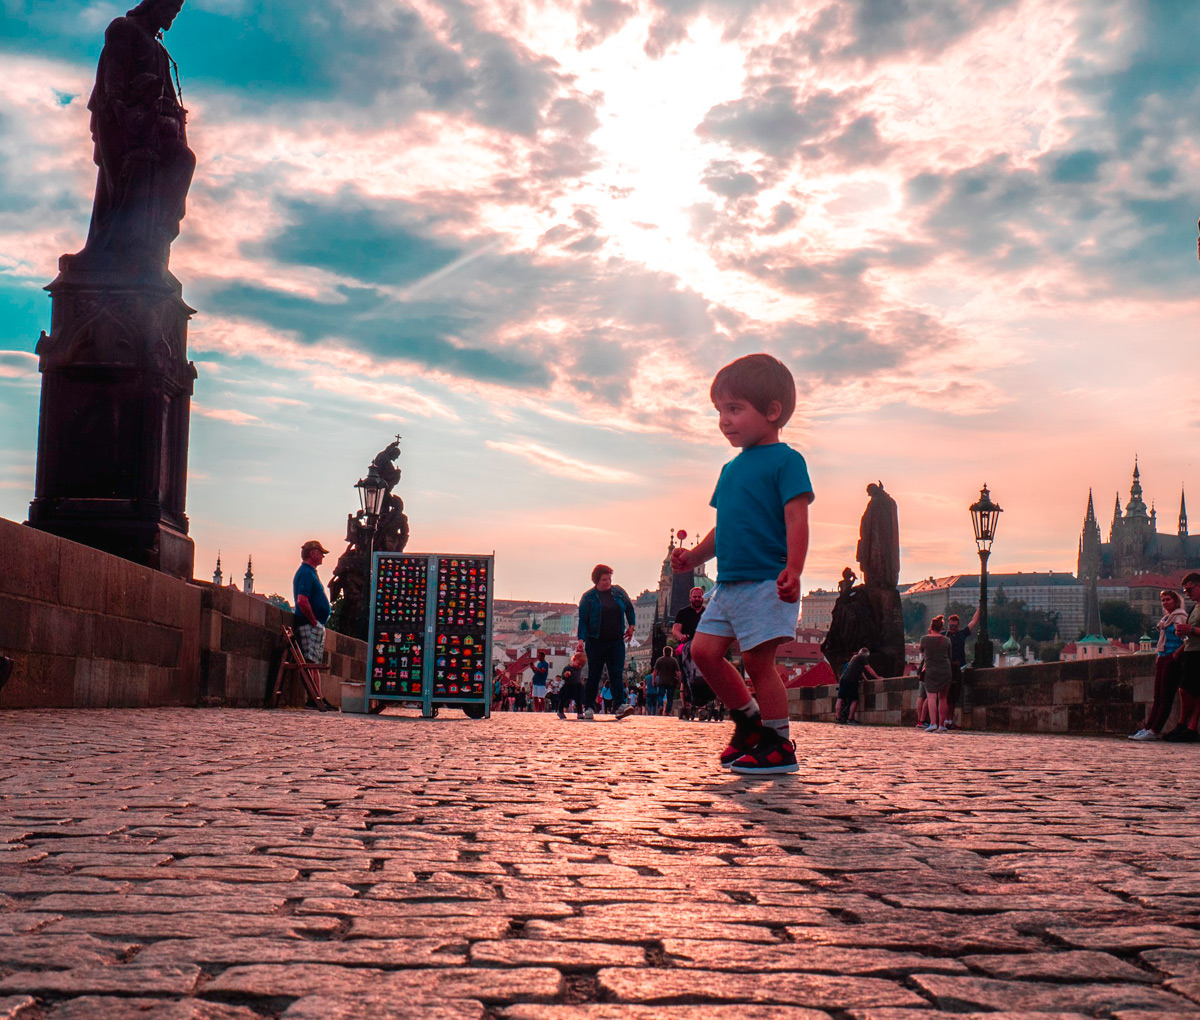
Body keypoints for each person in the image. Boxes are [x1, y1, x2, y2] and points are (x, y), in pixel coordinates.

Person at [670, 353, 813, 775]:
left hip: (767, 581)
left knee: (757, 662)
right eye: (720, 411)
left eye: (734, 409)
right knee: (703, 653)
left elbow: (796, 518)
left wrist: (795, 569)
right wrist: (696, 557)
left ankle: (779, 743)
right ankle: (749, 723)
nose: (724, 421)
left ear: (772, 412)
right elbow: (725, 527)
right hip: (728, 585)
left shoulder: (788, 461)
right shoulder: (729, 470)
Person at [76, 0, 196, 271]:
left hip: (154, 128)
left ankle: (158, 235)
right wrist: (120, 107)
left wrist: (175, 117)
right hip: (125, 126)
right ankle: (121, 242)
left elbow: (169, 95)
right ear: (154, 5)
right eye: (170, 10)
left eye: (176, 13)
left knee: (184, 159)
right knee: (138, 167)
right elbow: (113, 75)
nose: (171, 18)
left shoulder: (159, 50)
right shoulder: (124, 28)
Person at [577, 565, 637, 720]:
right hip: (596, 641)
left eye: (610, 578)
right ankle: (589, 706)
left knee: (616, 674)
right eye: (604, 579)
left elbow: (629, 609)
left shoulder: (618, 592)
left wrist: (631, 626)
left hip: (616, 640)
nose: (608, 582)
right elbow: (583, 621)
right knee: (594, 674)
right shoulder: (588, 597)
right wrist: (581, 640)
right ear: (597, 580)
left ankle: (619, 706)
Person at [1131, 589, 1188, 740]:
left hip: (1172, 658)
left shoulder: (1180, 616)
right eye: (1163, 600)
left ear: (1176, 601)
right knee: (1158, 696)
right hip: (1162, 657)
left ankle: (1154, 731)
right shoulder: (1166, 618)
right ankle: (1147, 728)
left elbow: (1186, 639)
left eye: (1168, 600)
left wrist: (1176, 654)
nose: (1165, 603)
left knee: (1166, 697)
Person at [1165, 573, 1200, 742]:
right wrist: (1182, 646)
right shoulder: (1195, 607)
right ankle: (1189, 728)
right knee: (1193, 691)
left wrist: (1190, 631)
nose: (1187, 593)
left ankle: (1184, 725)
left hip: (1198, 653)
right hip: (1190, 651)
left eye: (1190, 589)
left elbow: (1193, 631)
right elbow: (1189, 633)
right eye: (1185, 590)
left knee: (1185, 690)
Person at [292, 540, 331, 664]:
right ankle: (313, 684)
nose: (323, 556)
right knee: (311, 665)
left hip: (313, 625)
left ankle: (315, 684)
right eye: (321, 553)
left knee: (314, 665)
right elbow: (302, 600)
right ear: (313, 554)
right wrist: (314, 622)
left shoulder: (309, 572)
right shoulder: (306, 573)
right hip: (309, 625)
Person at [945, 608, 980, 728]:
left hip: (959, 668)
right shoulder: (944, 635)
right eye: (950, 626)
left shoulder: (962, 634)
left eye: (954, 626)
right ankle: (946, 720)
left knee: (954, 697)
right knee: (947, 696)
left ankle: (949, 721)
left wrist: (980, 608)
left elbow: (973, 622)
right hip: (948, 669)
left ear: (958, 626)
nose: (952, 628)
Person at [919, 616, 954, 732]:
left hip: (931, 671)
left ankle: (933, 723)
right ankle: (942, 725)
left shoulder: (924, 639)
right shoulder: (946, 640)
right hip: (945, 670)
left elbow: (922, 651)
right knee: (943, 698)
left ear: (931, 627)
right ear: (941, 628)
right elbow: (950, 657)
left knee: (931, 697)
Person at [836, 647, 879, 725]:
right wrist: (877, 677)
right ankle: (850, 719)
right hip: (851, 680)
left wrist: (865, 680)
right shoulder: (862, 657)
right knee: (854, 700)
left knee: (840, 699)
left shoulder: (854, 657)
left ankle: (838, 718)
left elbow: (860, 672)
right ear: (866, 654)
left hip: (843, 679)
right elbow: (868, 668)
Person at [557, 652, 587, 720]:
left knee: (578, 700)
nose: (579, 666)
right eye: (578, 664)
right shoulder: (567, 668)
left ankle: (580, 713)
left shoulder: (578, 668)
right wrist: (565, 675)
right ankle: (560, 711)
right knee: (563, 700)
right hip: (568, 686)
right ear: (574, 659)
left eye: (581, 666)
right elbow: (562, 676)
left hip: (577, 686)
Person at [654, 648, 681, 717]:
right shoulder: (673, 660)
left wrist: (653, 680)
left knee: (660, 695)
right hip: (671, 682)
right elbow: (677, 672)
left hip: (662, 681)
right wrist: (680, 679)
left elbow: (655, 671)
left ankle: (660, 706)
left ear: (664, 652)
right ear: (671, 652)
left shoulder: (659, 660)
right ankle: (667, 712)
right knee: (670, 698)